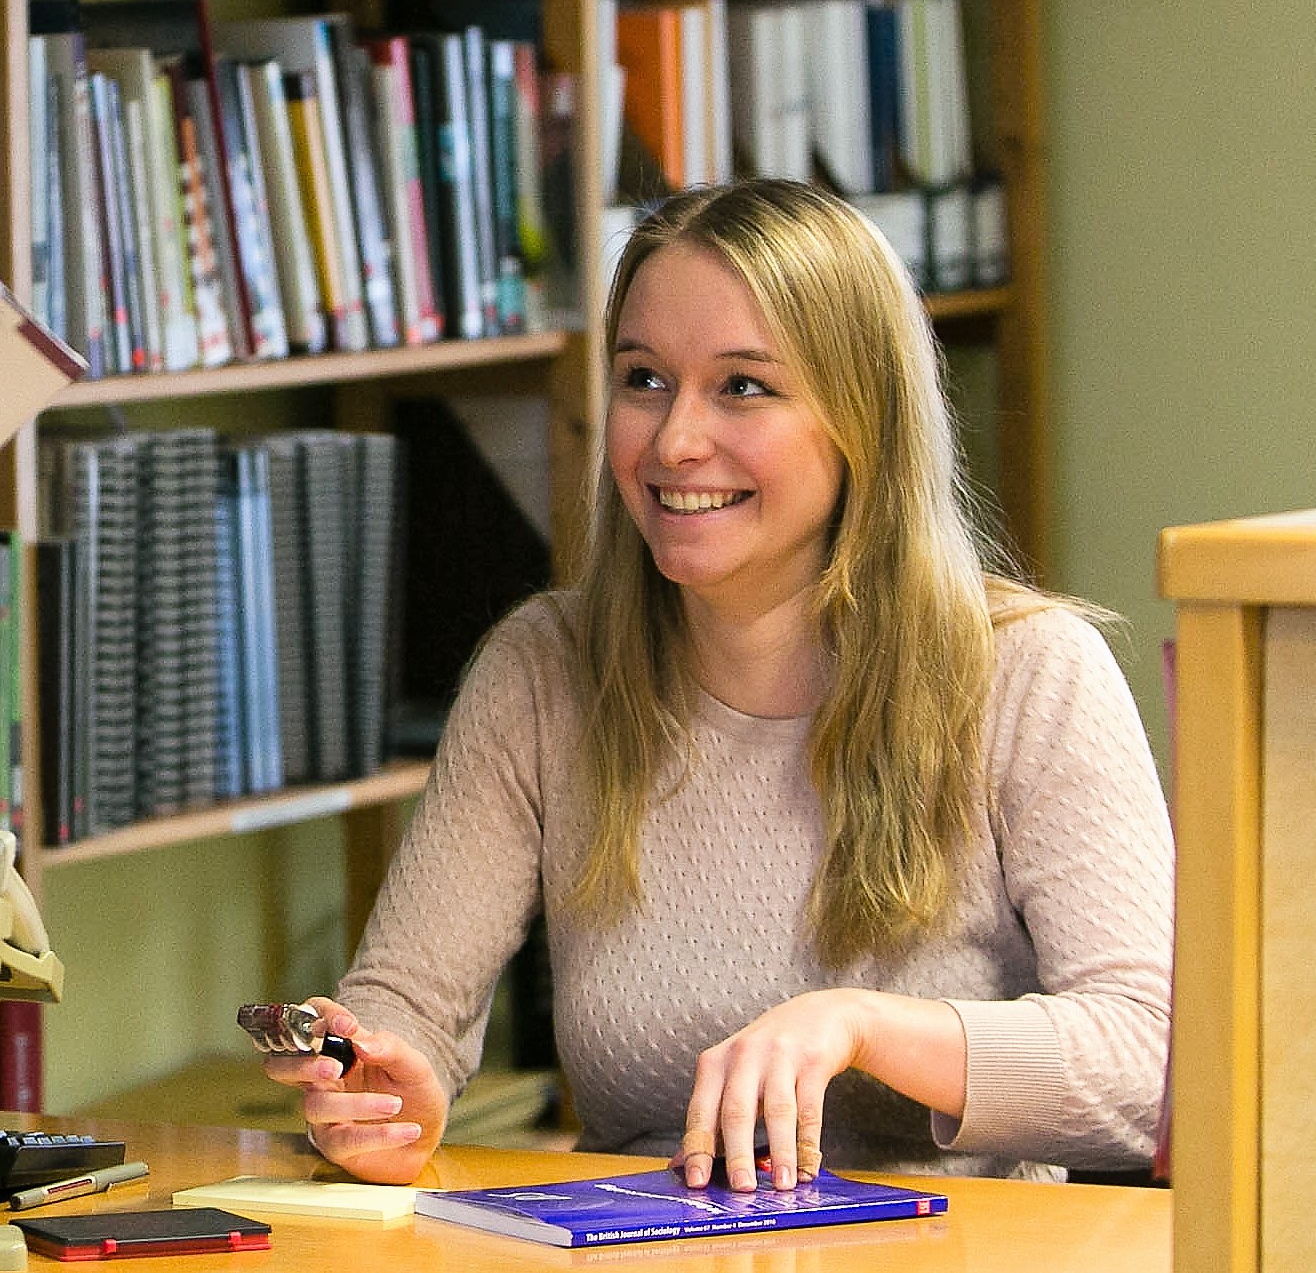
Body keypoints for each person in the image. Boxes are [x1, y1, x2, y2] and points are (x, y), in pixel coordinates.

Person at [265, 180, 1171, 1192]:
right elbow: (405, 1010)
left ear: (858, 419)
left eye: (741, 386)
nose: (672, 442)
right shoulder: (542, 670)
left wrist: (858, 1024)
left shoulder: (1030, 674)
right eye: (642, 378)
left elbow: (1150, 1068)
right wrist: (383, 1092)